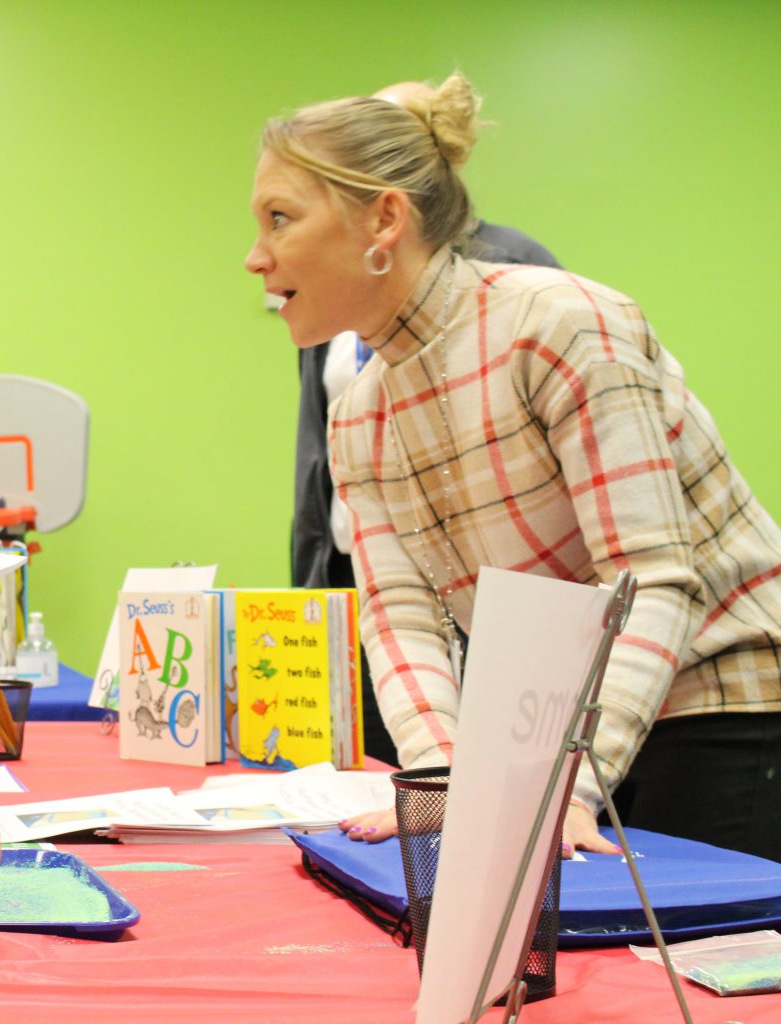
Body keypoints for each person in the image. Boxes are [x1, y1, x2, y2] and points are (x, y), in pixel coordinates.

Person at [246, 73, 781, 861]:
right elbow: (401, 615)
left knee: (654, 931)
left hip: (722, 701)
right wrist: (439, 780)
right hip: (569, 718)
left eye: (280, 219)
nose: (255, 258)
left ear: (384, 219)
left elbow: (650, 579)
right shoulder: (361, 414)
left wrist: (570, 788)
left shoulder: (558, 325)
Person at [289, 81, 560, 767]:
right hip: (362, 569)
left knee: (490, 768)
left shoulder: (512, 267)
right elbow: (319, 453)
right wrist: (311, 578)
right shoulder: (334, 292)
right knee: (389, 764)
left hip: (479, 581)